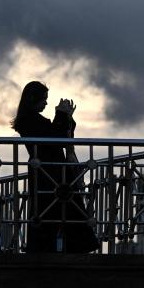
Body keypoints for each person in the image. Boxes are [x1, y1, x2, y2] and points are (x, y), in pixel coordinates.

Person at [11, 81, 98, 253]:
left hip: (52, 174)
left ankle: (62, 249)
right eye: (43, 99)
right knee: (57, 214)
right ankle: (72, 249)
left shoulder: (32, 121)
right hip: (49, 175)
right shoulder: (28, 121)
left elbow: (61, 138)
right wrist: (61, 114)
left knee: (59, 214)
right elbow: (55, 139)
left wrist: (66, 117)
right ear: (32, 99)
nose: (46, 103)